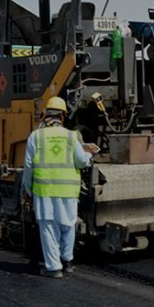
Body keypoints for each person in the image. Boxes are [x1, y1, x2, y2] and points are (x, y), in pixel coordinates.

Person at [22, 96, 98, 278]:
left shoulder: (35, 136)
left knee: (48, 227)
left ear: (45, 115)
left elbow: (28, 167)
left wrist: (27, 189)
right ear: (63, 116)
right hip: (68, 191)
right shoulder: (72, 137)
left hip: (45, 191)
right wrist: (88, 156)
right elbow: (81, 162)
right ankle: (68, 261)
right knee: (68, 225)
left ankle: (54, 268)